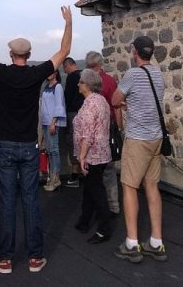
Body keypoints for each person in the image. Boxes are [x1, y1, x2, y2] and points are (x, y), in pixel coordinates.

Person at [0, 6, 72, 275]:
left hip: (5, 144)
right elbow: (64, 50)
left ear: (12, 55)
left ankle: (5, 258)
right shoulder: (37, 74)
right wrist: (68, 22)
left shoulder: (1, 72)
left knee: (7, 200)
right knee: (31, 200)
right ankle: (36, 257)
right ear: (29, 55)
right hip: (29, 146)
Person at [112, 35, 168, 263]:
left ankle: (132, 243)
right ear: (152, 52)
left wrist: (125, 102)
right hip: (156, 138)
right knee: (152, 187)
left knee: (129, 187)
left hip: (137, 139)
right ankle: (156, 242)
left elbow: (115, 99)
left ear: (135, 51)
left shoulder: (132, 74)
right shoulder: (158, 74)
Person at [72, 68, 113, 244]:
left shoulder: (89, 104)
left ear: (87, 85)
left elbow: (87, 134)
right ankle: (84, 221)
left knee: (96, 190)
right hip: (102, 152)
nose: (78, 84)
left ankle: (104, 229)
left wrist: (81, 158)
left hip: (92, 155)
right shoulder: (102, 100)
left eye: (80, 82)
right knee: (90, 189)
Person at [85, 52, 120, 214]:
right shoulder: (110, 81)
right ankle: (112, 205)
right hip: (108, 127)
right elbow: (116, 107)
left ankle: (101, 207)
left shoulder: (87, 83)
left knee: (96, 172)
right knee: (108, 170)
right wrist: (118, 128)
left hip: (97, 130)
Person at [39, 70, 66, 191]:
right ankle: (53, 177)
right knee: (49, 150)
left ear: (56, 73)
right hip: (45, 122)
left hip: (52, 123)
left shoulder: (58, 86)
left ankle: (55, 178)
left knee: (54, 150)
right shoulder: (46, 87)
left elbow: (59, 105)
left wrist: (53, 123)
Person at [60, 57, 83, 187]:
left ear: (68, 66)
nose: (65, 70)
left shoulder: (71, 77)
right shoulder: (83, 74)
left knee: (73, 143)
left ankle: (75, 175)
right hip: (83, 112)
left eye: (65, 68)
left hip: (73, 113)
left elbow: (67, 97)